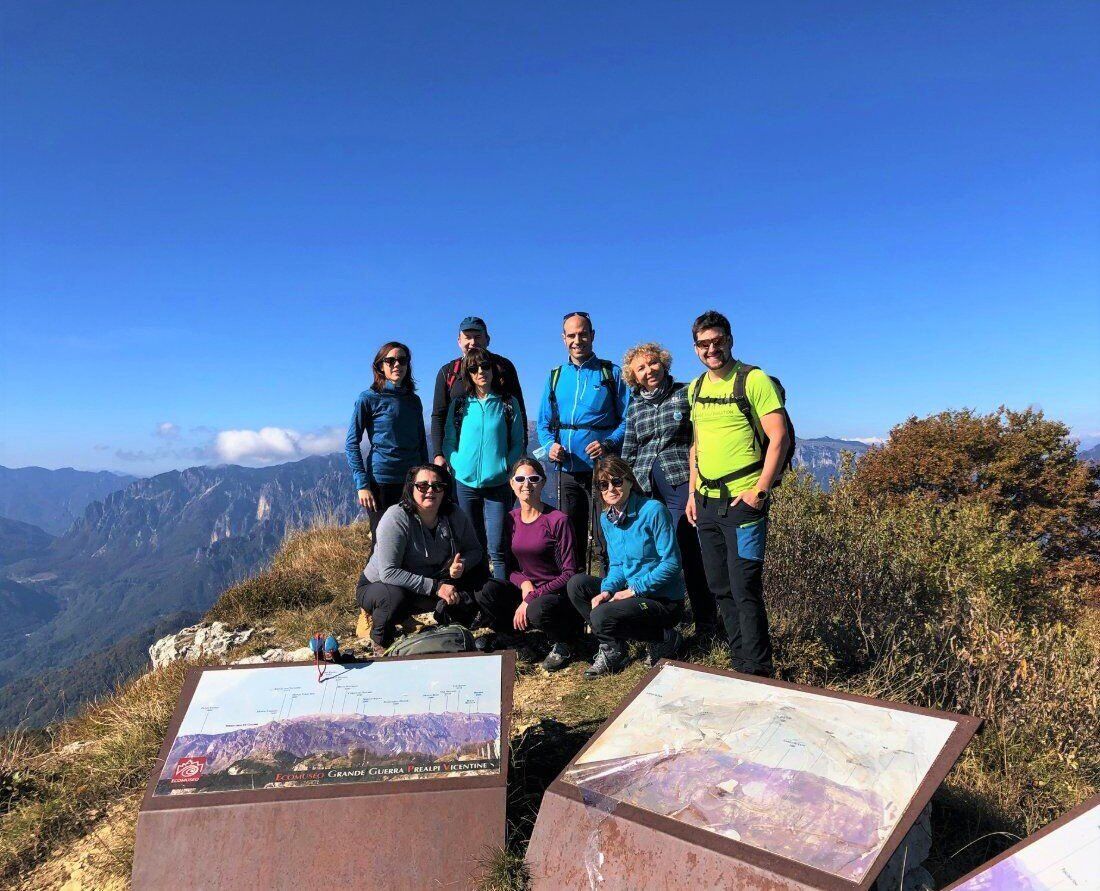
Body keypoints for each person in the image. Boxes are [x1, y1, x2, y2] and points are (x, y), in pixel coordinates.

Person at [685, 310, 791, 677]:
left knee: (745, 587)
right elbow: (696, 445)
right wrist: (690, 494)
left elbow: (779, 436)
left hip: (744, 505)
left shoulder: (754, 380)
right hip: (706, 501)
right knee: (720, 587)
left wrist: (760, 492)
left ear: (730, 340)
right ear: (695, 347)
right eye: (704, 344)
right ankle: (739, 664)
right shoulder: (695, 388)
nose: (712, 349)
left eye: (718, 342)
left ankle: (759, 672)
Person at [356, 464, 510, 656]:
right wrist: (437, 587)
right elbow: (389, 572)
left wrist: (462, 565)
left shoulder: (454, 514)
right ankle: (380, 640)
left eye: (437, 486)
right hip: (381, 585)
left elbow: (475, 550)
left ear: (445, 490)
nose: (430, 490)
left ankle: (467, 628)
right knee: (393, 598)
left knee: (480, 580)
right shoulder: (396, 518)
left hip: (434, 579)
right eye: (422, 486)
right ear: (411, 488)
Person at [620, 342, 718, 642]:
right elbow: (631, 446)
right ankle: (660, 623)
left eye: (653, 364)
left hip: (679, 480)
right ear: (633, 376)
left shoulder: (685, 393)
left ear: (664, 364)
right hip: (645, 486)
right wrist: (623, 488)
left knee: (685, 549)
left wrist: (695, 489)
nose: (648, 370)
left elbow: (700, 439)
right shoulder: (635, 405)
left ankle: (706, 623)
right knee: (651, 554)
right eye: (641, 368)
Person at [566, 456, 685, 678]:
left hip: (662, 600)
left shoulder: (653, 511)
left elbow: (671, 563)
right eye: (604, 484)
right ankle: (613, 648)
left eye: (617, 481)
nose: (611, 489)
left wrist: (633, 590)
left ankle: (664, 638)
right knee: (577, 585)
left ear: (630, 481)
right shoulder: (606, 519)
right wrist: (607, 590)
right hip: (631, 594)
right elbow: (618, 564)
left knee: (602, 615)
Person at [536, 311, 630, 575]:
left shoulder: (611, 374)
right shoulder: (555, 376)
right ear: (563, 338)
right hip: (566, 471)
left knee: (607, 536)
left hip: (603, 471)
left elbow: (628, 418)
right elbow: (543, 424)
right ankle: (574, 598)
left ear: (593, 335)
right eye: (572, 335)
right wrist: (549, 446)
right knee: (570, 539)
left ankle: (611, 596)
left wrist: (609, 443)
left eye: (583, 334)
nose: (578, 340)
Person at [476, 456, 579, 665]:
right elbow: (512, 566)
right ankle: (515, 639)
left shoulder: (558, 520)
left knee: (537, 609)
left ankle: (564, 642)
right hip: (527, 591)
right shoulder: (511, 519)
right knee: (485, 590)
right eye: (520, 479)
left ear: (542, 482)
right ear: (512, 484)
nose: (526, 484)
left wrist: (532, 596)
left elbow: (570, 572)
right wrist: (524, 584)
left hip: (554, 594)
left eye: (533, 479)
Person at [441, 348, 525, 580]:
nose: (480, 372)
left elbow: (518, 441)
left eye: (485, 366)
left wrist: (506, 466)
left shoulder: (508, 403)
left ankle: (500, 600)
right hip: (465, 484)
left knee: (497, 548)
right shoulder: (459, 405)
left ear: (492, 368)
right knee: (473, 547)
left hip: (498, 484)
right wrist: (457, 463)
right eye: (473, 368)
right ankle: (478, 600)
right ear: (467, 374)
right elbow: (449, 440)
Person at [345, 341, 429, 524]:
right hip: (382, 481)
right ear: (380, 366)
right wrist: (362, 485)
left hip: (412, 481)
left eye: (402, 360)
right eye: (390, 361)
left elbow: (421, 442)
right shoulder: (368, 399)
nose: (397, 364)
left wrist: (426, 478)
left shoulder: (414, 401)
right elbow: (352, 443)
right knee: (383, 543)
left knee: (413, 539)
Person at [431, 316, 527, 466]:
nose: (472, 342)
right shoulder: (447, 372)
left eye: (477, 337)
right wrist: (438, 454)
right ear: (459, 341)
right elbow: (438, 415)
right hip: (460, 460)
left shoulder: (504, 367)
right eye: (467, 337)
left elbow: (519, 411)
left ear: (487, 339)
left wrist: (521, 451)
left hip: (500, 460)